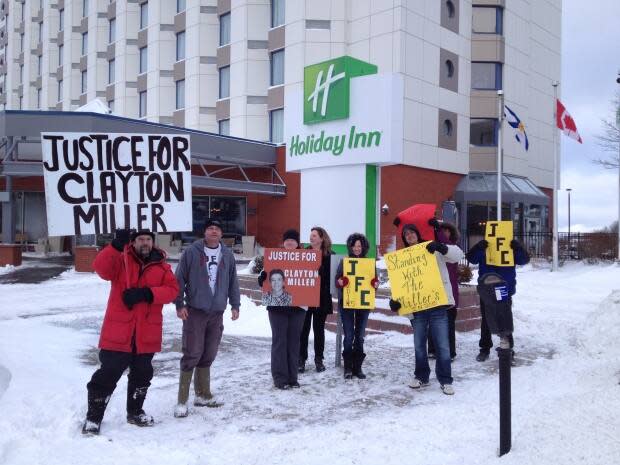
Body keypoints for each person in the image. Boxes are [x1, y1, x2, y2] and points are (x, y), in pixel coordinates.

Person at [82, 229, 179, 435]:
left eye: (148, 239)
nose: (144, 243)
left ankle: (135, 412)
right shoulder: (121, 261)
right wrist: (115, 246)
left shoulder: (162, 266)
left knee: (142, 375)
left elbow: (173, 291)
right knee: (107, 374)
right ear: (133, 242)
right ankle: (93, 417)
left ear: (153, 242)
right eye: (140, 239)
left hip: (146, 334)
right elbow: (102, 269)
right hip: (119, 332)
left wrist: (147, 293)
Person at [173, 219, 240, 418]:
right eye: (210, 228)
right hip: (195, 311)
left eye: (217, 229)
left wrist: (235, 305)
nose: (213, 231)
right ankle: (182, 400)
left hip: (216, 312)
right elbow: (179, 279)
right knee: (192, 352)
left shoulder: (227, 255)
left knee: (209, 352)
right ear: (204, 233)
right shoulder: (191, 252)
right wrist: (179, 304)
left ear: (221, 234)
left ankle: (203, 395)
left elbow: (233, 282)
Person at [389, 223, 463, 395]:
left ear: (417, 233)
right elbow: (401, 285)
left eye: (411, 232)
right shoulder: (402, 259)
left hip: (437, 305)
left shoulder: (432, 249)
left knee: (443, 345)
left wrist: (442, 247)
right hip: (417, 309)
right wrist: (395, 301)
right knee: (419, 346)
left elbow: (458, 255)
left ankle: (445, 380)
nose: (409, 235)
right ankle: (421, 376)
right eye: (405, 234)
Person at [466, 238, 530, 363]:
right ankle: (484, 348)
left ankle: (508, 348)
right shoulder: (485, 246)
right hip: (487, 288)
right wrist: (478, 247)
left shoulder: (510, 245)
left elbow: (523, 260)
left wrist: (518, 248)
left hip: (504, 288)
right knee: (486, 319)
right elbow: (471, 258)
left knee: (505, 318)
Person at [258, 229, 307, 389]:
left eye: (293, 240)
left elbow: (313, 278)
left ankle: (293, 377)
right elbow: (265, 280)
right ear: (284, 242)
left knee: (293, 342)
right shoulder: (274, 257)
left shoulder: (307, 259)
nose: (290, 243)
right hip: (277, 307)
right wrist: (262, 278)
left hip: (298, 307)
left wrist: (317, 273)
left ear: (297, 243)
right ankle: (280, 378)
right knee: (279, 342)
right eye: (287, 240)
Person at [335, 233, 379, 379]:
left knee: (359, 336)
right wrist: (340, 282)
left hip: (363, 304)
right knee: (349, 336)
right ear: (350, 247)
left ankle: (357, 367)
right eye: (354, 246)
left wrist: (375, 284)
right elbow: (337, 280)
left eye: (359, 246)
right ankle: (347, 367)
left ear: (364, 247)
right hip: (347, 303)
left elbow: (374, 282)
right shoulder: (345, 262)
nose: (357, 248)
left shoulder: (369, 263)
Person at [299, 226, 334, 373]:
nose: (311, 238)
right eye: (311, 235)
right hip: (305, 297)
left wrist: (323, 273)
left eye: (314, 235)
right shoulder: (304, 253)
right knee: (303, 330)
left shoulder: (330, 255)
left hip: (322, 298)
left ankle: (319, 359)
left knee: (319, 330)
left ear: (321, 238)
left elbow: (333, 278)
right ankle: (301, 359)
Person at [428, 222, 460, 360]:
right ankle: (433, 349)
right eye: (443, 231)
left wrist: (437, 230)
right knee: (432, 322)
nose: (444, 233)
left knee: (449, 324)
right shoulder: (434, 248)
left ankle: (451, 352)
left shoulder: (452, 249)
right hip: (435, 291)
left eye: (447, 231)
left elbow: (445, 246)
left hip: (450, 293)